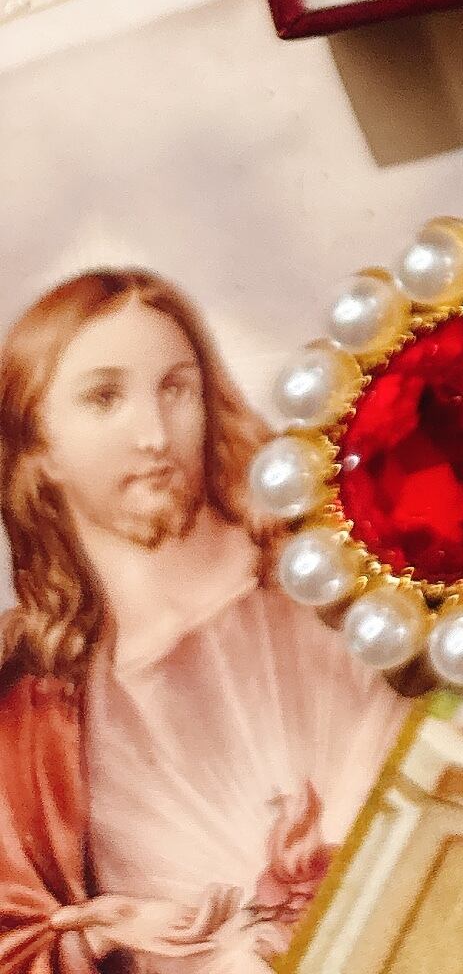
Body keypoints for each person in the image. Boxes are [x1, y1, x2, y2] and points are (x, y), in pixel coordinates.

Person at [0, 271, 407, 973]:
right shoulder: (37, 730)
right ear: (40, 449)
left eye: (175, 389)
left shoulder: (328, 572)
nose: (154, 434)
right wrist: (99, 935)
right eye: (105, 398)